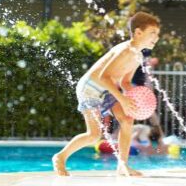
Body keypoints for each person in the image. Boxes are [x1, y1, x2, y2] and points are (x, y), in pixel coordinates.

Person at [52, 12, 161, 176]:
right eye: (152, 33)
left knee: (127, 119)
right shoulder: (125, 50)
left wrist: (136, 98)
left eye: (157, 34)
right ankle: (60, 157)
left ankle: (122, 166)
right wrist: (123, 99)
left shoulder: (137, 56)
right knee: (94, 135)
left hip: (106, 88)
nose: (157, 38)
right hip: (90, 88)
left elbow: (124, 81)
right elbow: (103, 77)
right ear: (138, 33)